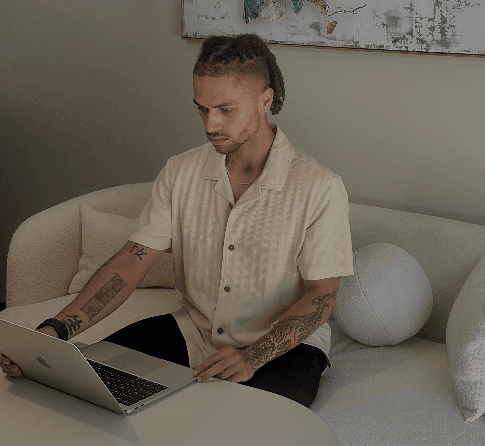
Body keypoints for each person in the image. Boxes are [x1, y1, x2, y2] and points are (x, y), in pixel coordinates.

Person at [1, 33, 354, 408]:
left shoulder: (319, 187)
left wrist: (253, 356)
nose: (210, 124)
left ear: (265, 100)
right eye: (202, 109)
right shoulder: (180, 171)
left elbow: (321, 294)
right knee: (79, 381)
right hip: (194, 332)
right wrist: (56, 331)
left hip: (285, 348)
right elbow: (131, 263)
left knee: (245, 423)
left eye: (226, 109)